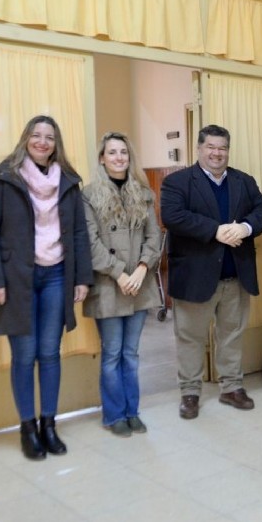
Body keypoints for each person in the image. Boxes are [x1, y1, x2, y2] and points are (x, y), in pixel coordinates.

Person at [0, 115, 93, 460]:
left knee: (50, 354)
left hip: (57, 276)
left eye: (50, 137)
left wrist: (82, 278)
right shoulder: (3, 177)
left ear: (57, 144)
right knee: (24, 356)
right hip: (17, 280)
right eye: (37, 135)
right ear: (26, 138)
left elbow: (78, 234)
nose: (43, 142)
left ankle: (49, 424)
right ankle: (27, 427)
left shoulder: (69, 181)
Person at [161, 124, 262, 420]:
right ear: (199, 149)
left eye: (222, 148)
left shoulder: (243, 181)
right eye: (210, 147)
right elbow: (172, 217)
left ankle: (231, 387)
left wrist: (245, 227)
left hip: (235, 275)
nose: (217, 153)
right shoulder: (179, 182)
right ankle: (190, 392)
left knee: (231, 335)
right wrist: (216, 231)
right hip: (195, 277)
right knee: (190, 338)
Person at [83, 132, 162, 437]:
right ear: (102, 158)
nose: (118, 158)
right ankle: (114, 414)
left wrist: (142, 268)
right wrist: (119, 273)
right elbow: (91, 244)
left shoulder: (144, 194)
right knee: (113, 353)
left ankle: (132, 411)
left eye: (123, 153)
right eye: (112, 152)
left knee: (131, 353)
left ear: (130, 158)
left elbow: (154, 237)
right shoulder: (88, 196)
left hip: (139, 284)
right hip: (109, 285)